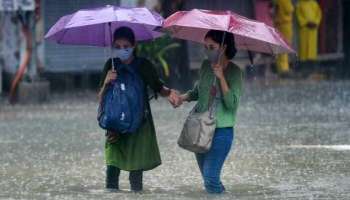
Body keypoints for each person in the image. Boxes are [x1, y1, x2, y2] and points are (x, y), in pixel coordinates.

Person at [99, 26, 178, 192]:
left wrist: (171, 94)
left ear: (134, 45)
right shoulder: (110, 65)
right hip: (115, 126)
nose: (122, 50)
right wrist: (107, 81)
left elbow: (158, 87)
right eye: (118, 47)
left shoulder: (144, 66)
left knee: (136, 176)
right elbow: (101, 98)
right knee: (112, 171)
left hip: (139, 126)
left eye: (126, 46)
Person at [169, 30, 243, 193]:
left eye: (211, 47)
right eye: (205, 47)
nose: (207, 51)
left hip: (222, 131)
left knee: (210, 177)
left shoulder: (235, 72)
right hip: (200, 128)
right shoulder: (205, 66)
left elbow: (232, 104)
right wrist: (181, 98)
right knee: (209, 180)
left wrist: (221, 77)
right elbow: (197, 91)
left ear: (223, 47)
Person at [274, 0, 294, 75]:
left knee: (279, 45)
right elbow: (289, 9)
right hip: (285, 24)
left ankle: (280, 67)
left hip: (278, 24)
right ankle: (284, 68)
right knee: (285, 45)